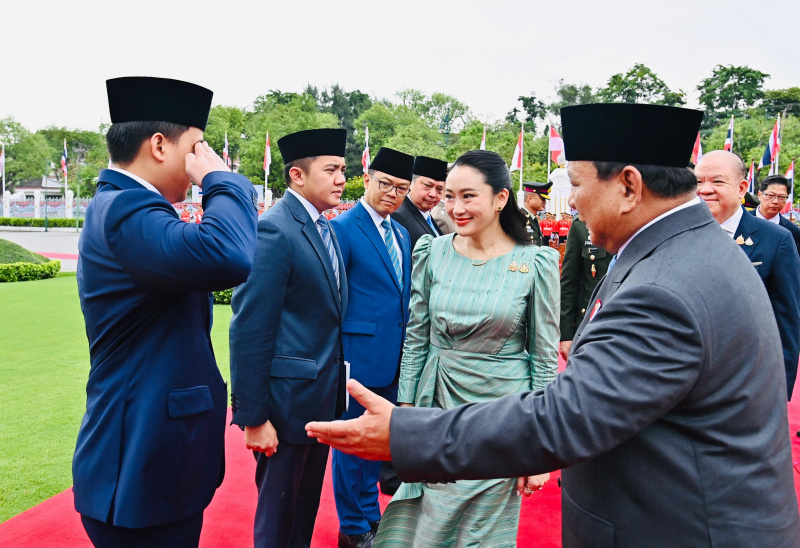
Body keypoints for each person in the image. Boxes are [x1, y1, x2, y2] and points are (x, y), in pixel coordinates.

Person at [307, 103, 800, 548]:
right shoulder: (687, 250)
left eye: (579, 185)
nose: (575, 202)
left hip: (678, 527)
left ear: (629, 186)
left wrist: (406, 434)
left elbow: (566, 417)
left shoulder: (665, 284)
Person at [74, 76, 259, 547]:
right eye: (197, 148)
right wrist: (224, 181)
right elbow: (231, 254)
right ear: (159, 145)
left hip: (153, 462)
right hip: (140, 468)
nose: (204, 161)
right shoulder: (125, 208)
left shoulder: (128, 207)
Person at [371, 150, 560, 547]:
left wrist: (540, 450)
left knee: (480, 536)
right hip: (434, 408)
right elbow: (417, 337)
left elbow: (543, 359)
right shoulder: (431, 251)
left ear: (501, 198)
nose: (455, 207)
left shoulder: (535, 262)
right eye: (449, 196)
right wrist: (406, 418)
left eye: (468, 196)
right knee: (427, 527)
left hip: (502, 422)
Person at [229, 128, 349, 547]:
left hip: (318, 402)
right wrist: (254, 418)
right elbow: (250, 327)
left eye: (343, 170)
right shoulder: (274, 230)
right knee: (277, 521)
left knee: (303, 512)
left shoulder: (323, 227)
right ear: (297, 175)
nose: (341, 180)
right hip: (283, 408)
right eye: (331, 170)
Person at [329, 147, 414, 548]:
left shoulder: (401, 233)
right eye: (385, 184)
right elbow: (333, 298)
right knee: (350, 444)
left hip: (396, 355)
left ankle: (371, 517)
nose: (393, 193)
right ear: (367, 180)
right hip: (356, 356)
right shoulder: (343, 228)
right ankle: (353, 527)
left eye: (402, 188)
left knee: (379, 441)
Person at [696, 150, 800, 400]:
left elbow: (787, 319)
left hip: (745, 381)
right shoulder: (677, 232)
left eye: (717, 181)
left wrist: (778, 391)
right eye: (698, 182)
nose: (705, 189)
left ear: (742, 188)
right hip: (688, 378)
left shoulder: (777, 240)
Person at [558, 214, 611, 359]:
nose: (571, 200)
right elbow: (570, 282)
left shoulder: (639, 217)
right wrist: (567, 334)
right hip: (589, 325)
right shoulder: (581, 225)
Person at [392, 155, 448, 250]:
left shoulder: (426, 215)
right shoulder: (399, 215)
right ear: (410, 183)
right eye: (427, 186)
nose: (433, 194)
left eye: (439, 189)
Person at [754, 174, 800, 255]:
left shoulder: (793, 231)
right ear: (760, 195)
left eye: (781, 197)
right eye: (770, 195)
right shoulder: (741, 219)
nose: (775, 201)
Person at [520, 181, 550, 245]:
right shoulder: (519, 218)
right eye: (542, 198)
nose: (544, 202)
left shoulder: (533, 219)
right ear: (530, 198)